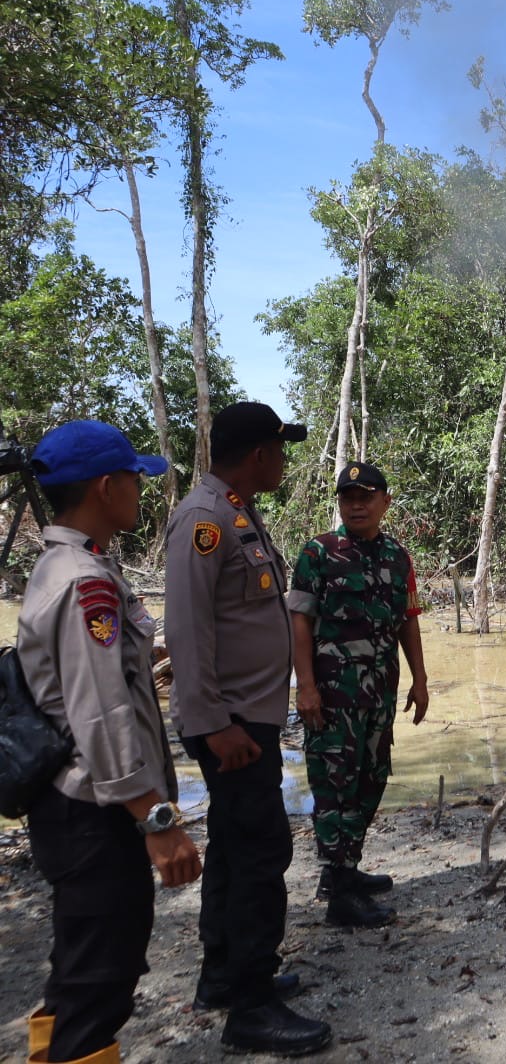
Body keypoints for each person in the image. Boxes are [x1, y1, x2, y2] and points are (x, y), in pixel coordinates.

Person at [16, 421, 202, 1064]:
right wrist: (156, 819)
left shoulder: (72, 565)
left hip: (79, 807)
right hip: (93, 813)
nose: (139, 491)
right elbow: (101, 712)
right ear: (104, 486)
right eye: (133, 478)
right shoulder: (83, 581)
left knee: (80, 969)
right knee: (101, 978)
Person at [164, 402, 331, 1056]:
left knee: (235, 848)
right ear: (260, 454)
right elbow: (187, 631)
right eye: (280, 451)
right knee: (262, 852)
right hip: (231, 725)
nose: (284, 462)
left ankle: (223, 976)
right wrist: (214, 725)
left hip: (247, 718)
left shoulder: (237, 511)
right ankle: (252, 1007)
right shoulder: (204, 520)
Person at [289, 460, 429, 928]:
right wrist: (306, 687)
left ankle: (344, 871)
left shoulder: (397, 557)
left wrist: (420, 680)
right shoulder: (318, 554)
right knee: (334, 788)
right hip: (332, 699)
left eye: (365, 498)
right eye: (348, 498)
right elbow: (300, 621)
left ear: (385, 503)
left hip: (380, 693)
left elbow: (408, 620)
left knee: (372, 780)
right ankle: (340, 895)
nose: (356, 506)